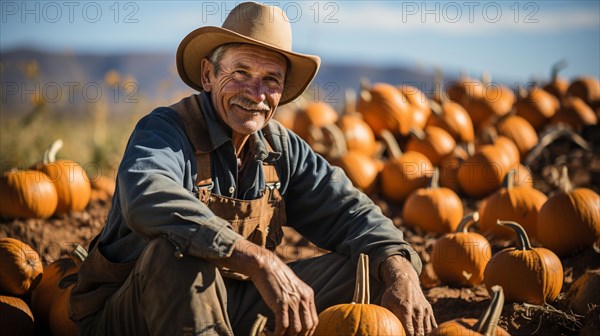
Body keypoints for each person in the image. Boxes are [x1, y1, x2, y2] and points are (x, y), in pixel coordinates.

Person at [70, 2, 437, 335]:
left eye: (271, 80)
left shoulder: (281, 148)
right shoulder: (165, 130)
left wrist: (399, 271)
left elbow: (353, 213)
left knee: (366, 271)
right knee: (176, 254)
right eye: (241, 72)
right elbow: (146, 196)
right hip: (132, 314)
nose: (256, 93)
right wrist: (257, 258)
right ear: (208, 75)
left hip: (233, 307)